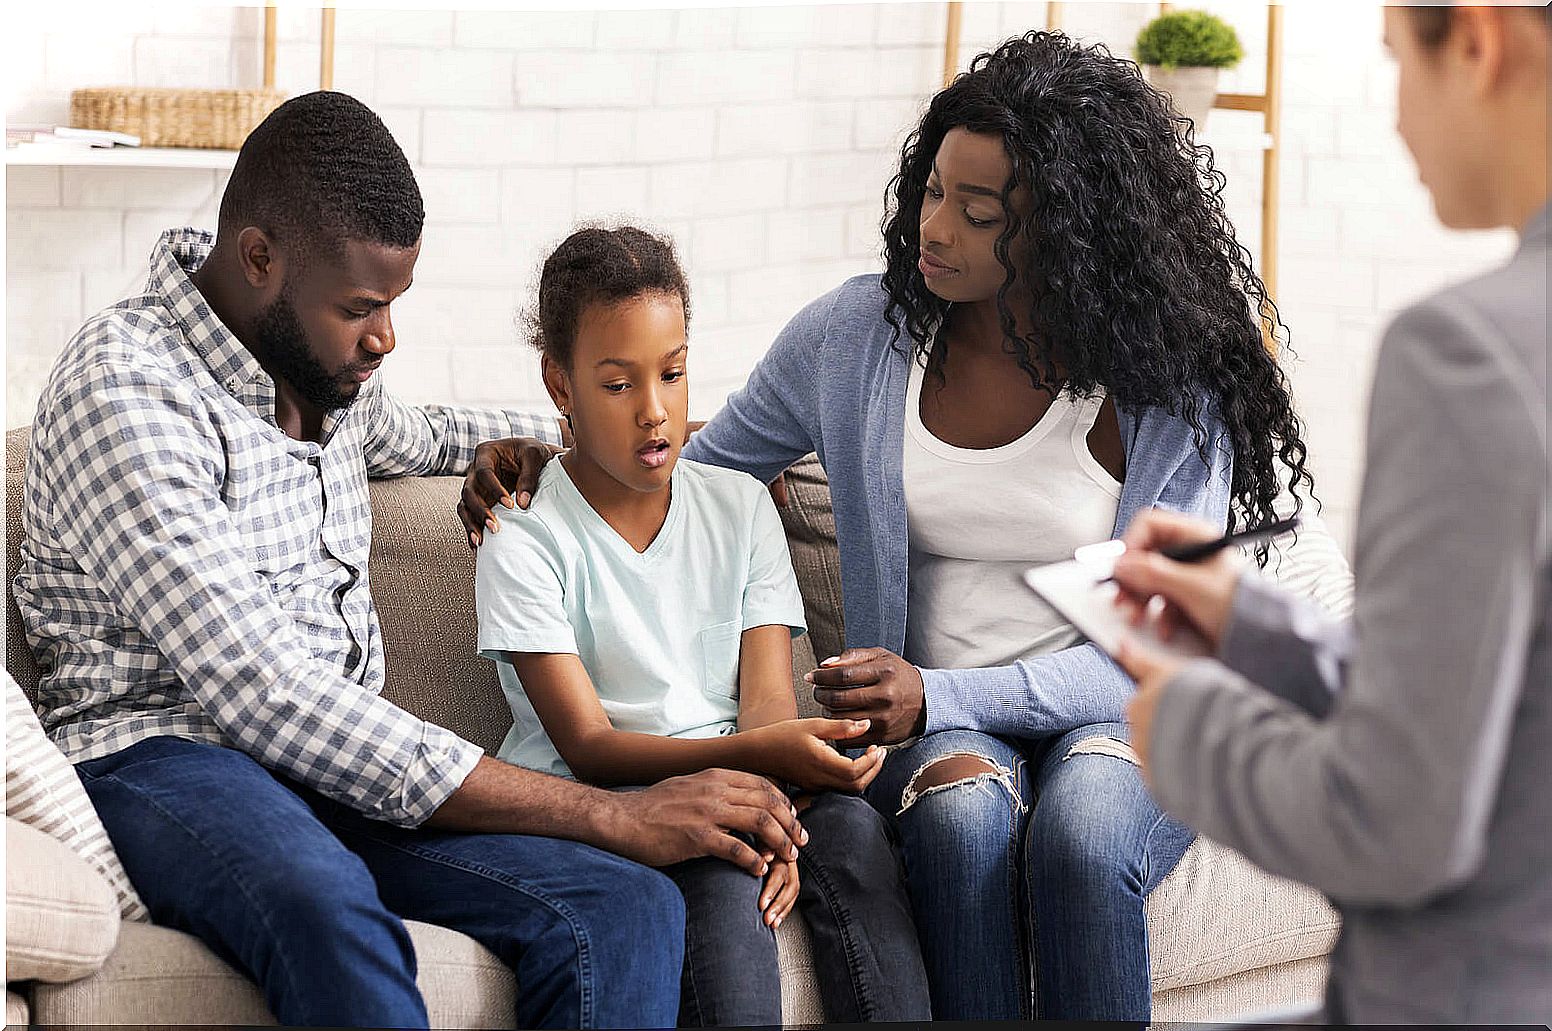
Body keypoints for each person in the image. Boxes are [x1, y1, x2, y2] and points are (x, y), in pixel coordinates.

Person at [460, 32, 1315, 1022]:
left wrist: (936, 692)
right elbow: (681, 467)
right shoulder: (855, 338)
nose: (934, 227)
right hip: (945, 733)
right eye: (932, 190)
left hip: (1117, 710)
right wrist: (528, 447)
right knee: (954, 823)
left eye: (977, 210)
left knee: (1081, 838)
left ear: (1063, 229)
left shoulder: (1171, 384)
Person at [12, 91, 807, 1030]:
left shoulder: (321, 374)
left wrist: (607, 438)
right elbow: (267, 694)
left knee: (621, 905)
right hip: (174, 760)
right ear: (259, 259)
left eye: (392, 304)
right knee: (326, 905)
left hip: (340, 779)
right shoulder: (126, 385)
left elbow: (427, 433)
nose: (385, 337)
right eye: (361, 307)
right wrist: (611, 813)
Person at [1109, 5, 1550, 1024]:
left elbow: (1396, 813)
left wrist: (1186, 724)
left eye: (1398, 61)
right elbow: (1481, 713)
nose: (1397, 116)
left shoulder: (1467, 355)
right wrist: (1251, 624)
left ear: (1476, 42)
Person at [473, 225, 932, 1026]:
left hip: (743, 774)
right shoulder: (522, 539)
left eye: (673, 372)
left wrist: (774, 797)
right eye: (618, 385)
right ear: (560, 383)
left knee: (856, 837)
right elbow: (589, 745)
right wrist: (761, 773)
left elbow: (764, 703)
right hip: (607, 802)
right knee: (723, 877)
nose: (656, 412)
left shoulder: (741, 506)